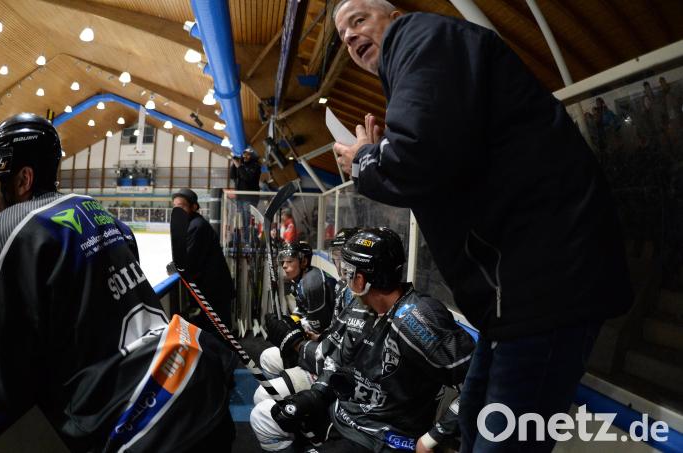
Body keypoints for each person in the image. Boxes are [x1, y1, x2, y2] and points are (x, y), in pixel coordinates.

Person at [331, 1, 633, 451]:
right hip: (516, 297)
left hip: (543, 291)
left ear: (393, 17)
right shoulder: (420, 60)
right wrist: (386, 158)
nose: (351, 38)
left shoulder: (420, 38)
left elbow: (420, 160)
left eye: (359, 21)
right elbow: (440, 169)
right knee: (473, 427)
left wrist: (367, 162)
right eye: (342, 35)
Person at [0, 113, 238, 452]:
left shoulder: (4, 232)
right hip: (200, 385)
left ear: (22, 180)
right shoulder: (102, 214)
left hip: (148, 430)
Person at [251, 228, 475, 452]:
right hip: (344, 415)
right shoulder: (359, 306)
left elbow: (476, 381)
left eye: (348, 271)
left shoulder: (417, 319)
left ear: (361, 279)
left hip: (383, 438)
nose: (344, 276)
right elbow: (336, 359)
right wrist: (317, 393)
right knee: (264, 417)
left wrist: (432, 438)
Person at [253, 230, 359, 405]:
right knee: (267, 357)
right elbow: (329, 331)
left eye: (290, 261)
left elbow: (321, 328)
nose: (285, 266)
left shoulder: (313, 282)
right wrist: (290, 324)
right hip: (325, 352)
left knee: (262, 397)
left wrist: (294, 336)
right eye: (336, 256)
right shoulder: (342, 287)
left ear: (303, 261)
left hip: (332, 366)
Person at [171, 188, 236, 332]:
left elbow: (188, 260)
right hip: (212, 289)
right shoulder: (192, 224)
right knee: (217, 329)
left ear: (194, 207)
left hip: (214, 291)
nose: (177, 210)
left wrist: (175, 266)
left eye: (181, 206)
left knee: (219, 331)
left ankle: (226, 353)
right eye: (175, 206)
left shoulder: (197, 226)